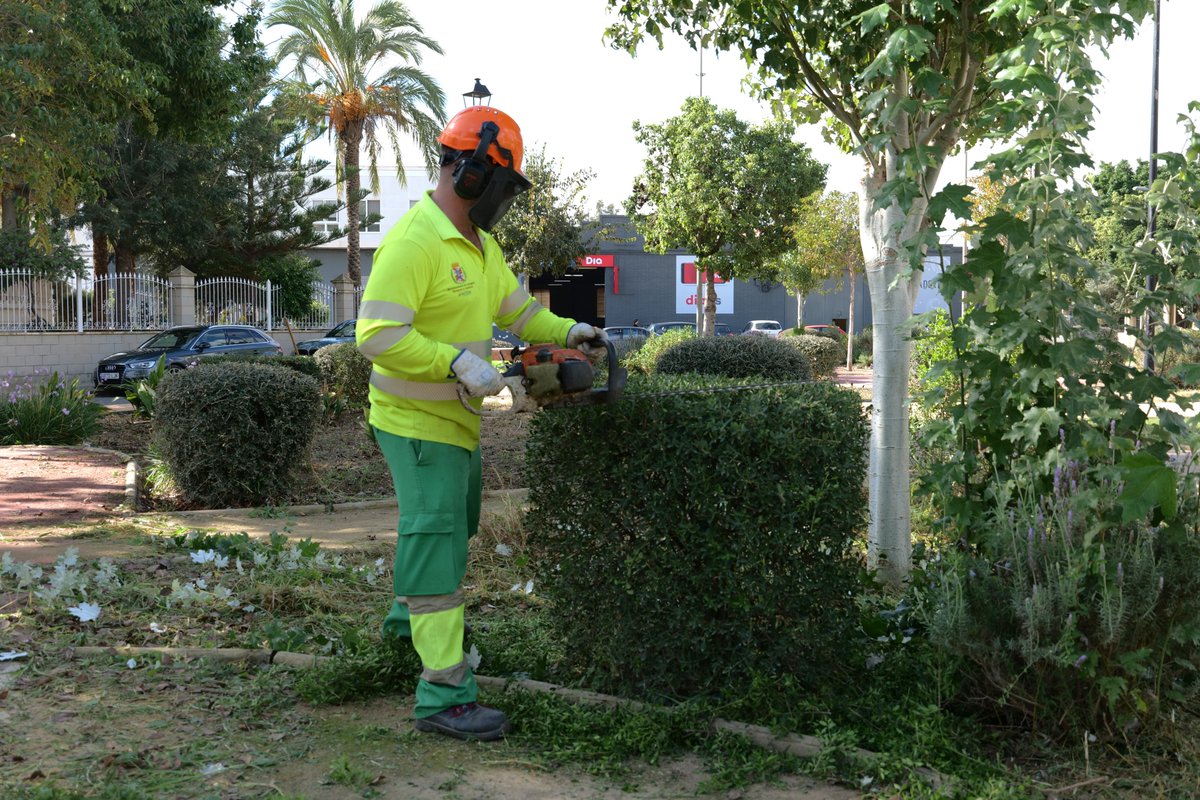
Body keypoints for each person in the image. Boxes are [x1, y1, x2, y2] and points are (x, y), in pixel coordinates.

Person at [356, 105, 607, 742]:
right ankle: (443, 694)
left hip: (454, 421)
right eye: (505, 188)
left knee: (452, 525)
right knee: (437, 541)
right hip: (414, 422)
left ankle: (401, 631)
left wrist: (572, 330)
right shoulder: (415, 241)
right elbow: (376, 336)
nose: (506, 202)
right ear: (474, 175)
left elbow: (524, 317)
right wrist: (455, 360)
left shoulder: (480, 247)